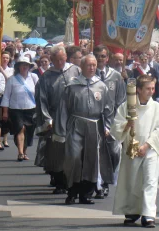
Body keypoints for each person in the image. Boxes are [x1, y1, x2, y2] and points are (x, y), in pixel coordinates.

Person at [111, 75, 159, 228]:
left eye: (153, 88)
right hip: (132, 148)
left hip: (150, 149)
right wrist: (127, 125)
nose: (151, 91)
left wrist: (147, 145)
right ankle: (132, 211)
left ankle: (148, 215)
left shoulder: (155, 107)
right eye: (148, 89)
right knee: (133, 181)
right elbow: (116, 127)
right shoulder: (127, 106)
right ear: (139, 90)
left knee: (150, 181)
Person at [58, 55, 113, 205]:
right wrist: (61, 130)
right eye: (89, 65)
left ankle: (86, 193)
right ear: (82, 66)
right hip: (76, 124)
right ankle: (72, 192)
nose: (92, 68)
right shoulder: (72, 85)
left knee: (92, 160)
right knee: (74, 158)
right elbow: (63, 109)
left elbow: (108, 108)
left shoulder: (101, 86)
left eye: (94, 65)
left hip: (95, 126)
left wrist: (108, 127)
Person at [35, 46, 81, 194]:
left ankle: (72, 179)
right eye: (57, 60)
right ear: (52, 60)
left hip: (74, 116)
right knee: (56, 150)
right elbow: (41, 99)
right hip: (55, 117)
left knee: (73, 148)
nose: (60, 62)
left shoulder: (75, 70)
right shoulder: (46, 77)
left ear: (66, 57)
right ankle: (59, 180)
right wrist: (47, 119)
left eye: (62, 59)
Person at [94, 45, 125, 199]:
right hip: (94, 120)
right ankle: (100, 184)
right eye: (97, 56)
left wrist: (120, 122)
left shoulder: (116, 76)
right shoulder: (89, 75)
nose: (100, 59)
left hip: (112, 121)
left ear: (108, 58)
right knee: (97, 153)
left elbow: (121, 101)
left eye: (103, 56)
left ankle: (109, 175)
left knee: (114, 152)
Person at [1, 56, 38, 161]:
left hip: (31, 109)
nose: (25, 67)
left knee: (28, 131)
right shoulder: (12, 80)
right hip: (16, 109)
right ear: (18, 67)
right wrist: (5, 112)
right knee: (20, 129)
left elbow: (39, 93)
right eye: (22, 65)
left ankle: (24, 151)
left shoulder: (34, 77)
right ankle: (20, 152)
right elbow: (6, 96)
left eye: (26, 65)